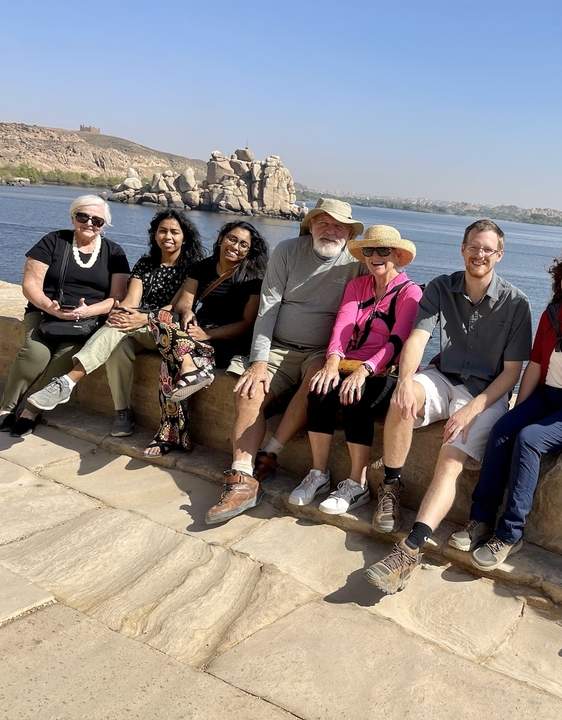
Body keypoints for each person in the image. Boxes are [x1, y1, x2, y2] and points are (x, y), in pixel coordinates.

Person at [364, 219, 532, 594]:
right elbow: (419, 339)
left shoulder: (517, 303)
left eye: (488, 249)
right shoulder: (441, 286)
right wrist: (406, 382)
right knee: (402, 402)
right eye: (474, 246)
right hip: (444, 376)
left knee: (450, 456)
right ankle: (391, 488)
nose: (480, 254)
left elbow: (510, 375)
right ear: (462, 248)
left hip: (487, 393)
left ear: (499, 256)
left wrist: (470, 411)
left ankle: (411, 549)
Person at [451, 245, 562, 569]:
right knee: (504, 428)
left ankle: (509, 535)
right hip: (547, 395)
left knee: (530, 438)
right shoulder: (552, 314)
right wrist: (517, 409)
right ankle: (480, 519)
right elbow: (534, 365)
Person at [204, 198, 365, 525]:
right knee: (249, 392)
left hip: (322, 352)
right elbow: (268, 309)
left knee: (318, 382)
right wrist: (259, 361)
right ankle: (242, 477)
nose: (330, 230)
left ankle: (270, 455)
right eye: (323, 222)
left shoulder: (358, 261)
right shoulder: (288, 251)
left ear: (349, 232)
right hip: (277, 346)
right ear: (312, 225)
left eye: (338, 225)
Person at [25, 208, 205, 436]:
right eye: (162, 231)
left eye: (174, 232)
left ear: (184, 237)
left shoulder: (193, 269)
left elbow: (175, 308)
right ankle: (122, 412)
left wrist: (143, 317)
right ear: (154, 234)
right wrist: (120, 312)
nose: (167, 237)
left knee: (115, 329)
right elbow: (131, 300)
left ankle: (68, 382)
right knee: (117, 346)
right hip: (136, 326)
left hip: (164, 331)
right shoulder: (146, 264)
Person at [286, 225, 423, 514]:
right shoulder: (357, 286)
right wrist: (332, 362)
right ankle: (318, 474)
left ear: (397, 255)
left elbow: (398, 342)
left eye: (383, 250)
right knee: (320, 391)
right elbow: (341, 328)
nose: (375, 256)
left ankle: (356, 483)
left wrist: (364, 371)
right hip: (349, 363)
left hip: (386, 370)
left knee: (354, 397)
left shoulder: (410, 293)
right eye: (370, 250)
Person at [0, 194, 130, 437]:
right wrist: (51, 307)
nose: (89, 223)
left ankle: (31, 411)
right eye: (83, 216)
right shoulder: (53, 241)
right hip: (45, 313)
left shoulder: (114, 252)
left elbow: (118, 297)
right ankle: (7, 407)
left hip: (85, 321)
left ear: (105, 225)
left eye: (97, 221)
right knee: (35, 354)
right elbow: (30, 285)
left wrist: (87, 311)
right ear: (73, 217)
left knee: (65, 358)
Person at [143, 221, 269, 457]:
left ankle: (168, 436)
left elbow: (247, 324)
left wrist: (209, 334)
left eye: (244, 245)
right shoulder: (203, 267)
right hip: (194, 336)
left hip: (226, 341)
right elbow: (184, 302)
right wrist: (189, 313)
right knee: (156, 318)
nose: (236, 247)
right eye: (232, 239)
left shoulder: (254, 277)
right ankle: (190, 367)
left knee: (169, 365)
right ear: (221, 238)